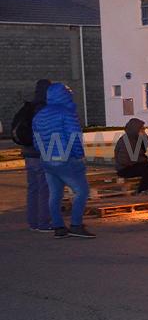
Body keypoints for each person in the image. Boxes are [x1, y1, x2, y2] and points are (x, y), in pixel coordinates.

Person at [32, 83, 94, 238]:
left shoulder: (39, 114)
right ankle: (76, 225)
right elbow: (74, 137)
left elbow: (36, 140)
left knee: (55, 194)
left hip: (47, 160)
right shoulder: (67, 113)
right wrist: (79, 155)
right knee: (82, 191)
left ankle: (59, 227)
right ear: (64, 95)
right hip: (66, 159)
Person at [11, 79, 52, 232]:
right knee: (45, 188)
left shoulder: (29, 107)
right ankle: (44, 223)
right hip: (41, 154)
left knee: (33, 188)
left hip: (28, 153)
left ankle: (33, 222)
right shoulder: (45, 109)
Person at [114, 118, 148, 193]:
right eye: (142, 128)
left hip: (136, 165)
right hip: (125, 169)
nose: (144, 130)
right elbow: (124, 160)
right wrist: (143, 160)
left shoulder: (138, 138)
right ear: (135, 129)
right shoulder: (126, 140)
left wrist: (147, 140)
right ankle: (142, 190)